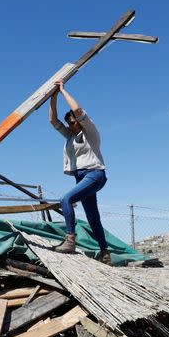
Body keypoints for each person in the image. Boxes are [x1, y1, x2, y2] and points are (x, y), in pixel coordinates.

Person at [49, 79, 111, 264]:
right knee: (93, 217)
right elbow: (53, 120)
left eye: (73, 122)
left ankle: (70, 241)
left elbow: (78, 110)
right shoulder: (70, 136)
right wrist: (53, 97)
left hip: (94, 174)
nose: (70, 124)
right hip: (81, 177)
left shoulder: (90, 131)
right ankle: (105, 253)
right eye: (68, 122)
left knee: (65, 199)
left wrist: (62, 90)